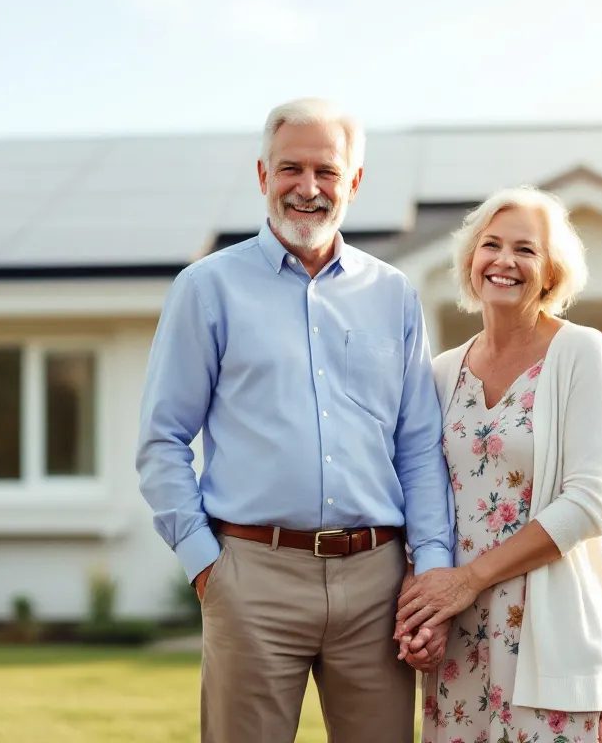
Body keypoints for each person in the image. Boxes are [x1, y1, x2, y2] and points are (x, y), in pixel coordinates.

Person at [136, 98, 454, 743]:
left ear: (354, 183)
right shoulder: (207, 288)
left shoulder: (393, 294)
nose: (308, 188)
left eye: (327, 172)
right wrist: (208, 567)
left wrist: (432, 565)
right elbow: (162, 439)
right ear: (262, 176)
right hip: (251, 574)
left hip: (378, 583)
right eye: (290, 169)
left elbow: (418, 446)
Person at [394, 186, 602, 742]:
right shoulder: (441, 372)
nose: (504, 261)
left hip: (548, 630)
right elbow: (422, 495)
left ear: (550, 272)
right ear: (471, 262)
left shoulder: (582, 353)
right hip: (460, 637)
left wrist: (467, 580)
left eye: (526, 249)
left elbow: (590, 504)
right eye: (490, 245)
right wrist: (426, 607)